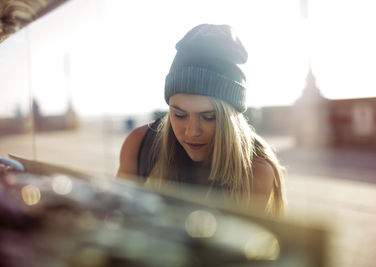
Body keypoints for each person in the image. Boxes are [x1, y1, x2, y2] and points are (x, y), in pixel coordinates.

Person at [117, 24, 285, 216]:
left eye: (209, 117)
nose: (192, 131)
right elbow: (117, 220)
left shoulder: (256, 169)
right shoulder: (139, 145)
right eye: (179, 115)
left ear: (231, 118)